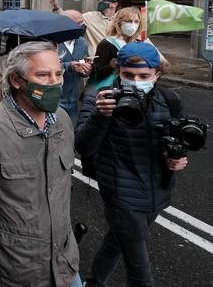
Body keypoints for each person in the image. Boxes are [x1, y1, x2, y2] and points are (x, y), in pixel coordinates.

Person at [0, 41, 80, 287]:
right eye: (43, 75)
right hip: (18, 273)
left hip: (65, 266)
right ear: (16, 80)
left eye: (59, 73)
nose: (54, 82)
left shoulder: (63, 121)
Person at [76, 42, 187, 287]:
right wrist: (100, 116)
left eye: (144, 76)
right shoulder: (99, 98)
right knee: (139, 269)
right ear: (119, 72)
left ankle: (94, 282)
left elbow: (175, 139)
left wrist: (176, 158)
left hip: (158, 189)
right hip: (120, 194)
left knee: (116, 242)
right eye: (128, 75)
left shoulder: (169, 99)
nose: (136, 80)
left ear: (157, 74)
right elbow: (83, 147)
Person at [51, 0, 122, 56]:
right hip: (94, 60)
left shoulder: (121, 20)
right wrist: (56, 7)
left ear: (114, 4)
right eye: (100, 0)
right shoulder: (90, 16)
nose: (101, 2)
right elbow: (68, 19)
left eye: (104, 0)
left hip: (114, 60)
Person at [58, 10, 91, 125]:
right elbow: (43, 68)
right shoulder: (51, 42)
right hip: (55, 98)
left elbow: (84, 63)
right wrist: (68, 66)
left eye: (83, 22)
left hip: (74, 100)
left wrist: (86, 70)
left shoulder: (82, 43)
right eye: (78, 23)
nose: (82, 26)